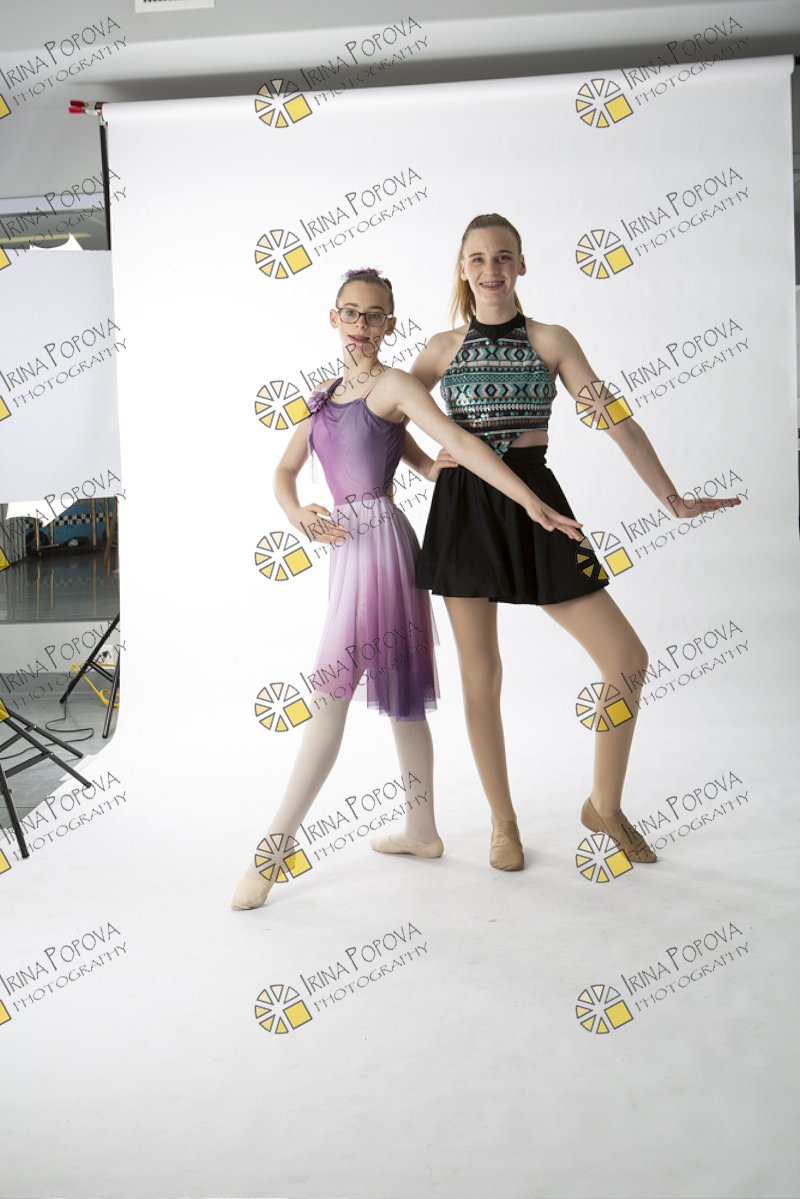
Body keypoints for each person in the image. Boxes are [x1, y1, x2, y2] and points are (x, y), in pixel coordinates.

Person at [231, 267, 583, 910]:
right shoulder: (322, 397)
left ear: (390, 324)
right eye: (351, 312)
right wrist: (297, 512)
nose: (361, 325)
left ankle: (272, 850)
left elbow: (455, 441)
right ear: (333, 317)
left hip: (381, 548)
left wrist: (530, 501)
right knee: (401, 697)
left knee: (330, 692)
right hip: (346, 553)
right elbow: (285, 469)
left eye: (374, 315)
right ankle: (422, 831)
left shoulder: (395, 384)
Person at [411, 213, 741, 872]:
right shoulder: (442, 348)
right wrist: (425, 466)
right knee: (482, 676)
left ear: (521, 264)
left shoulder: (551, 339)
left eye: (503, 256)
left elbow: (615, 419)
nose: (491, 269)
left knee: (626, 659)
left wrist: (672, 499)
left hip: (540, 506)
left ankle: (604, 805)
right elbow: (387, 411)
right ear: (463, 270)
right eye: (478, 258)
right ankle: (503, 822)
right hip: (466, 510)